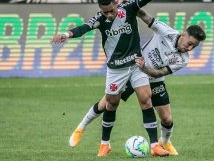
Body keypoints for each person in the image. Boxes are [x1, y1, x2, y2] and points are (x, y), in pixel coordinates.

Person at [51, 0, 169, 157]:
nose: (109, 15)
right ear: (101, 10)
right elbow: (83, 28)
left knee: (146, 100)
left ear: (116, 4)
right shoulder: (100, 19)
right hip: (116, 69)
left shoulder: (128, 9)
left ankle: (154, 145)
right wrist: (66, 34)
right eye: (105, 12)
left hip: (137, 64)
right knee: (111, 104)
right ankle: (104, 144)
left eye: (111, 10)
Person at [69, 8, 206, 155]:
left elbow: (161, 72)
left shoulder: (183, 59)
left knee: (166, 118)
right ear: (184, 35)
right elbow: (143, 15)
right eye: (190, 43)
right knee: (106, 104)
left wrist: (145, 68)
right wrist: (128, 3)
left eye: (194, 47)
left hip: (154, 78)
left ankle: (164, 142)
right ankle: (80, 128)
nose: (190, 48)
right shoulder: (167, 31)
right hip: (133, 72)